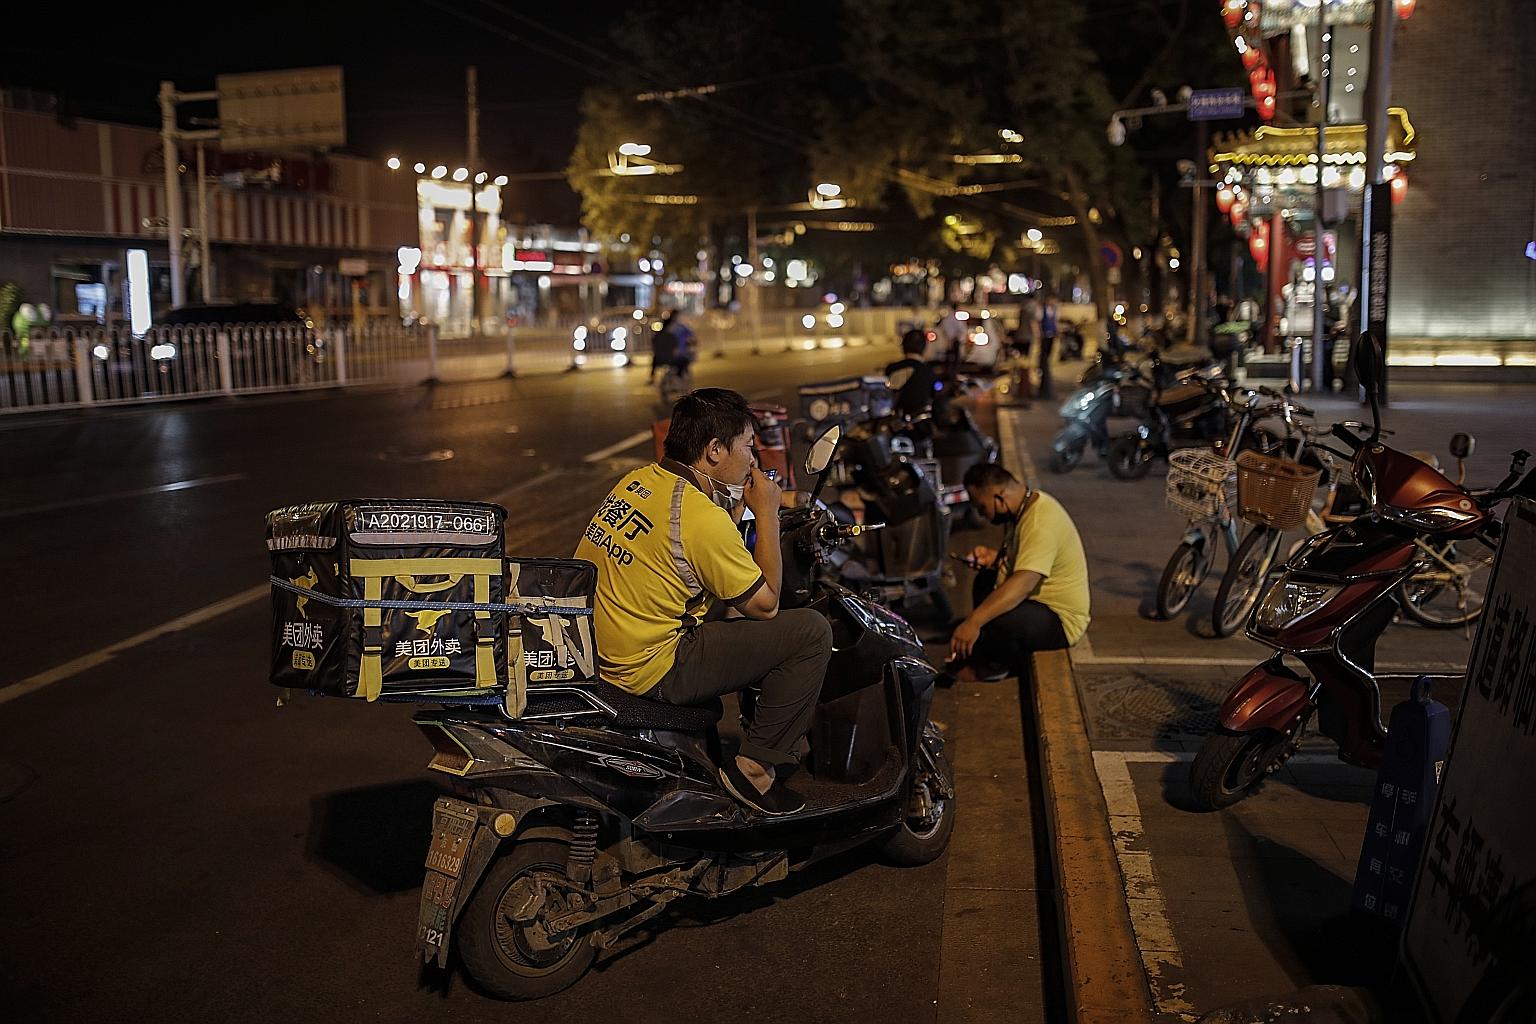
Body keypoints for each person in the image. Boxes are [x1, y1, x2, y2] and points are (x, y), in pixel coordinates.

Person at [573, 388, 832, 816]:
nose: (753, 461)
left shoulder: (636, 482)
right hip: (651, 668)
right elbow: (765, 604)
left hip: (598, 653)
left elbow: (690, 553)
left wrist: (735, 511)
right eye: (748, 447)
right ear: (714, 450)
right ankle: (755, 768)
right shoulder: (699, 518)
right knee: (809, 632)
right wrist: (766, 512)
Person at [946, 462, 1090, 681]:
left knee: (1000, 616)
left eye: (982, 507)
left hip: (1061, 619)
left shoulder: (1040, 523)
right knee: (985, 582)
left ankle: (999, 666)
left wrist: (973, 622)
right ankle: (991, 650)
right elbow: (1023, 560)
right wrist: (995, 559)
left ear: (998, 497)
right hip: (1038, 604)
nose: (982, 515)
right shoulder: (1026, 507)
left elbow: (1023, 584)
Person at [886, 328, 938, 418]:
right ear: (924, 347)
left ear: (903, 346)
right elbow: (934, 394)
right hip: (919, 421)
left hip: (894, 420)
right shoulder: (928, 370)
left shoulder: (892, 368)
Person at [1037, 296, 1060, 399]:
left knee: (1049, 354)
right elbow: (1038, 322)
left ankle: (1046, 366)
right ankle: (1043, 368)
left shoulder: (1054, 310)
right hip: (1044, 335)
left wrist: (1057, 331)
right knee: (1044, 355)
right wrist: (1040, 333)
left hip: (1051, 335)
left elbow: (1055, 322)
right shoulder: (1042, 310)